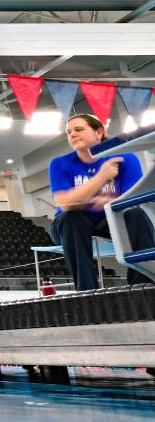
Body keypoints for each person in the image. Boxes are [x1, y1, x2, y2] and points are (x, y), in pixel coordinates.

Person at [49, 114, 155, 290]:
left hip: (112, 221)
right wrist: (101, 177)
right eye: (69, 132)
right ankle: (87, 292)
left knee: (136, 214)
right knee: (72, 218)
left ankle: (142, 286)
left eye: (79, 129)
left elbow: (132, 200)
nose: (72, 134)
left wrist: (97, 200)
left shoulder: (125, 158)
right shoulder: (59, 164)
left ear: (99, 132)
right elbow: (65, 204)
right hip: (72, 226)